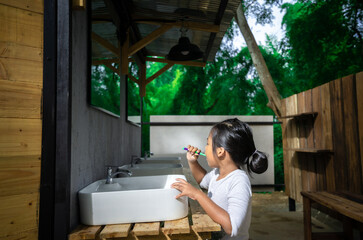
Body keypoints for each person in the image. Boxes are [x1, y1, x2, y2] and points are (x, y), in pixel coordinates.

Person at [171, 118, 268, 239]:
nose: (205, 148)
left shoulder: (239, 181)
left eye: (208, 143)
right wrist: (193, 162)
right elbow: (202, 180)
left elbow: (231, 227)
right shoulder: (217, 173)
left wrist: (198, 195)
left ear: (220, 151)